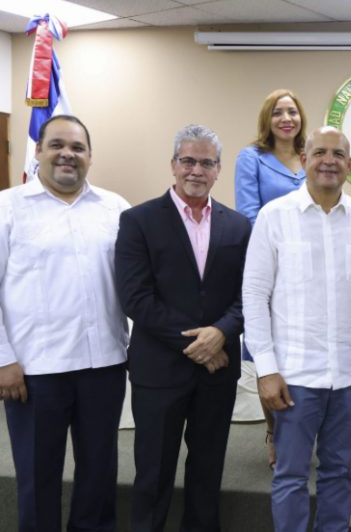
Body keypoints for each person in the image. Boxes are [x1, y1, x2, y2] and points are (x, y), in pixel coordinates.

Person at [242, 126, 351, 532]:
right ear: (305, 160)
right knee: (291, 476)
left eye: (338, 154)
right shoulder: (274, 218)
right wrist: (266, 369)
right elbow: (254, 297)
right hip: (293, 376)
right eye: (320, 152)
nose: (329, 160)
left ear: (350, 164)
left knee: (339, 472)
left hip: (350, 376)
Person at [115, 124, 251, 531]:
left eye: (206, 162)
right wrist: (202, 341)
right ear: (173, 165)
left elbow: (250, 293)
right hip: (160, 369)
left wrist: (221, 332)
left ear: (218, 169)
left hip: (218, 370)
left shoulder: (238, 226)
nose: (196, 169)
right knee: (153, 473)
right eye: (188, 160)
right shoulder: (138, 221)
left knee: (207, 472)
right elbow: (136, 298)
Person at [0, 115, 130, 530]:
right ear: (38, 151)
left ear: (90, 156)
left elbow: (137, 283)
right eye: (56, 145)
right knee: (38, 480)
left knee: (98, 477)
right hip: (36, 373)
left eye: (77, 147)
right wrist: (3, 360)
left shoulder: (115, 208)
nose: (67, 154)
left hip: (104, 367)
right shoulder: (7, 208)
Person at [234, 88, 307, 469]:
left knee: (303, 351)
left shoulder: (309, 155)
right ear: (268, 119)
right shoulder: (252, 158)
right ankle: (274, 430)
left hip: (310, 272)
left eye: (292, 111)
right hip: (270, 266)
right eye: (278, 112)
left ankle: (301, 429)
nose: (286, 119)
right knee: (270, 354)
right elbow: (248, 213)